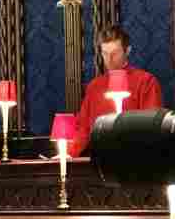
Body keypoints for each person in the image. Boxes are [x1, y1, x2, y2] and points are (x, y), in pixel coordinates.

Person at [70, 25, 165, 156]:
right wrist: (68, 154)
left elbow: (151, 126)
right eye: (105, 53)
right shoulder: (94, 86)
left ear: (127, 51)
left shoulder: (146, 82)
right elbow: (83, 129)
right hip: (99, 158)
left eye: (115, 53)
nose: (109, 59)